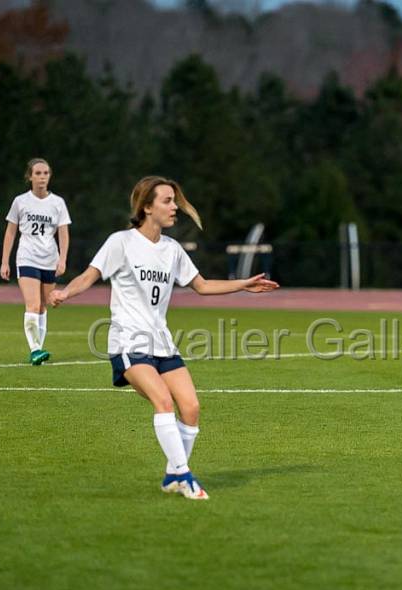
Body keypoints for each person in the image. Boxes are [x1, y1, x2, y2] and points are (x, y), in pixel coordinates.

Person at [48, 176, 278, 500]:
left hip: (162, 342)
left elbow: (202, 285)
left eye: (174, 201)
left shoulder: (172, 250)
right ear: (146, 207)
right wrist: (64, 292)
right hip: (129, 342)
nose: (175, 208)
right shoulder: (121, 242)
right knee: (163, 402)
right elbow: (90, 275)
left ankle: (173, 475)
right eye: (167, 201)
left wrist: (243, 284)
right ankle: (184, 475)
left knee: (192, 407)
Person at [0, 158, 71, 365]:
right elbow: (11, 232)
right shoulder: (20, 202)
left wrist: (63, 259)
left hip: (49, 259)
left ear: (50, 176)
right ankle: (35, 350)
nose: (42, 177)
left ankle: (38, 349)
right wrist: (5, 261)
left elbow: (64, 234)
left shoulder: (58, 203)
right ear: (30, 176)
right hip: (27, 257)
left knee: (43, 307)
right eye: (38, 173)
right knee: (32, 304)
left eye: (45, 173)